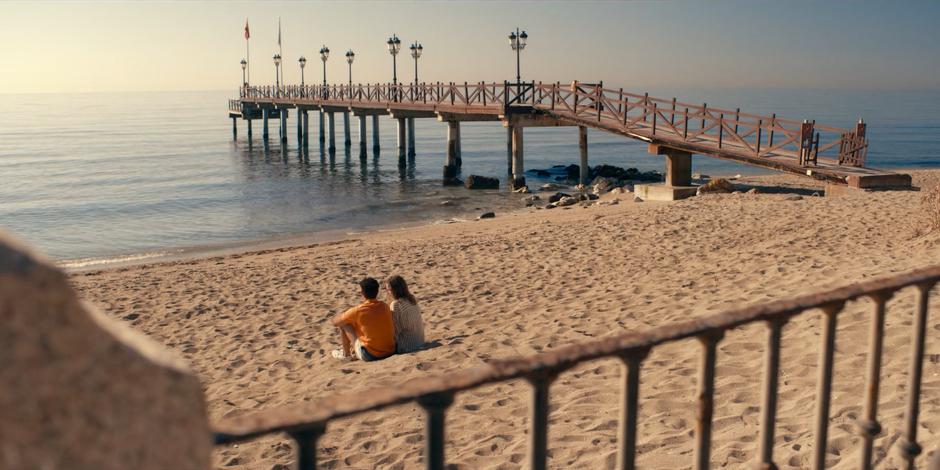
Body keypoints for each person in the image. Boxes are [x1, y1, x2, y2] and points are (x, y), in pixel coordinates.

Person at [332, 277, 396, 361]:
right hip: (390, 351)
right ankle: (351, 350)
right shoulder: (385, 306)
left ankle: (346, 355)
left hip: (371, 355)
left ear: (362, 292)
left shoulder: (358, 310)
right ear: (377, 291)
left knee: (345, 324)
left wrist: (342, 315)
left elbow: (335, 323)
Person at [386, 275, 425, 353]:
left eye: (388, 289)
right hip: (420, 341)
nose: (387, 292)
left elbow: (396, 330)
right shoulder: (411, 299)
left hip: (406, 346)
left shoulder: (396, 304)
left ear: (394, 290)